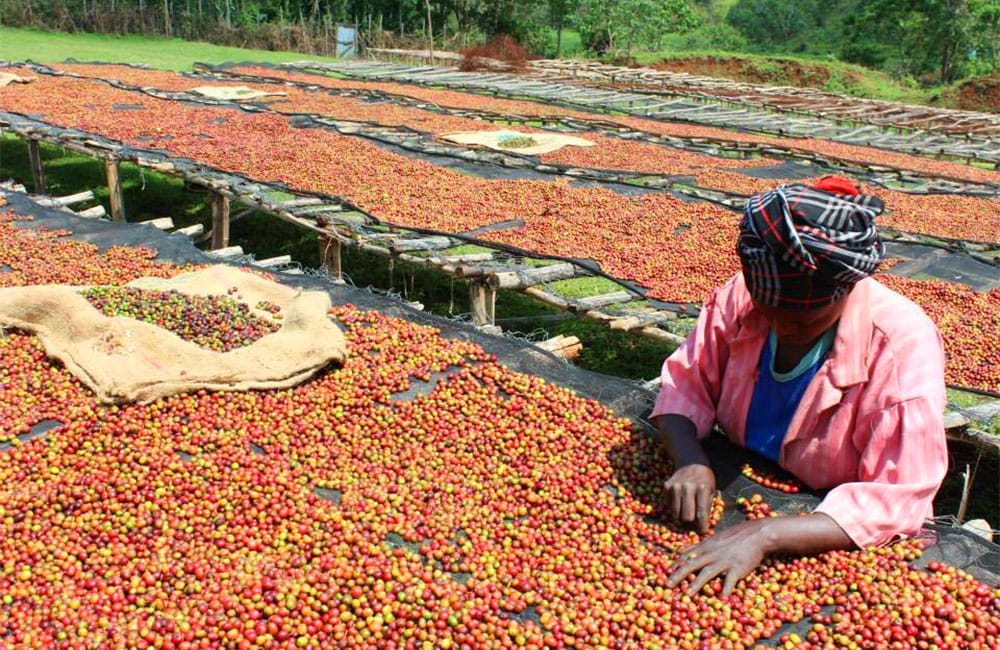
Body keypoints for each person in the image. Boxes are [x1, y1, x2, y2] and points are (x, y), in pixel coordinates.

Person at [655, 176, 948, 597]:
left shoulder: (901, 347)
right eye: (769, 312)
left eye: (803, 321)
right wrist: (688, 460)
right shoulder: (740, 297)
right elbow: (684, 383)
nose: (783, 329)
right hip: (754, 483)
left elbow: (899, 495)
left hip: (845, 532)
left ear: (845, 291)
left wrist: (765, 536)